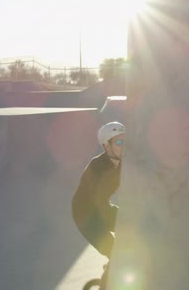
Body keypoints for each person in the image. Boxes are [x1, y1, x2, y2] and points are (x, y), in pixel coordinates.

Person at [72, 121, 125, 288]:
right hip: (86, 216)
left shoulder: (125, 163)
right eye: (118, 142)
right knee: (116, 253)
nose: (124, 146)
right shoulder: (97, 168)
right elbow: (98, 203)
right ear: (106, 146)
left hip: (103, 207)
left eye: (125, 141)